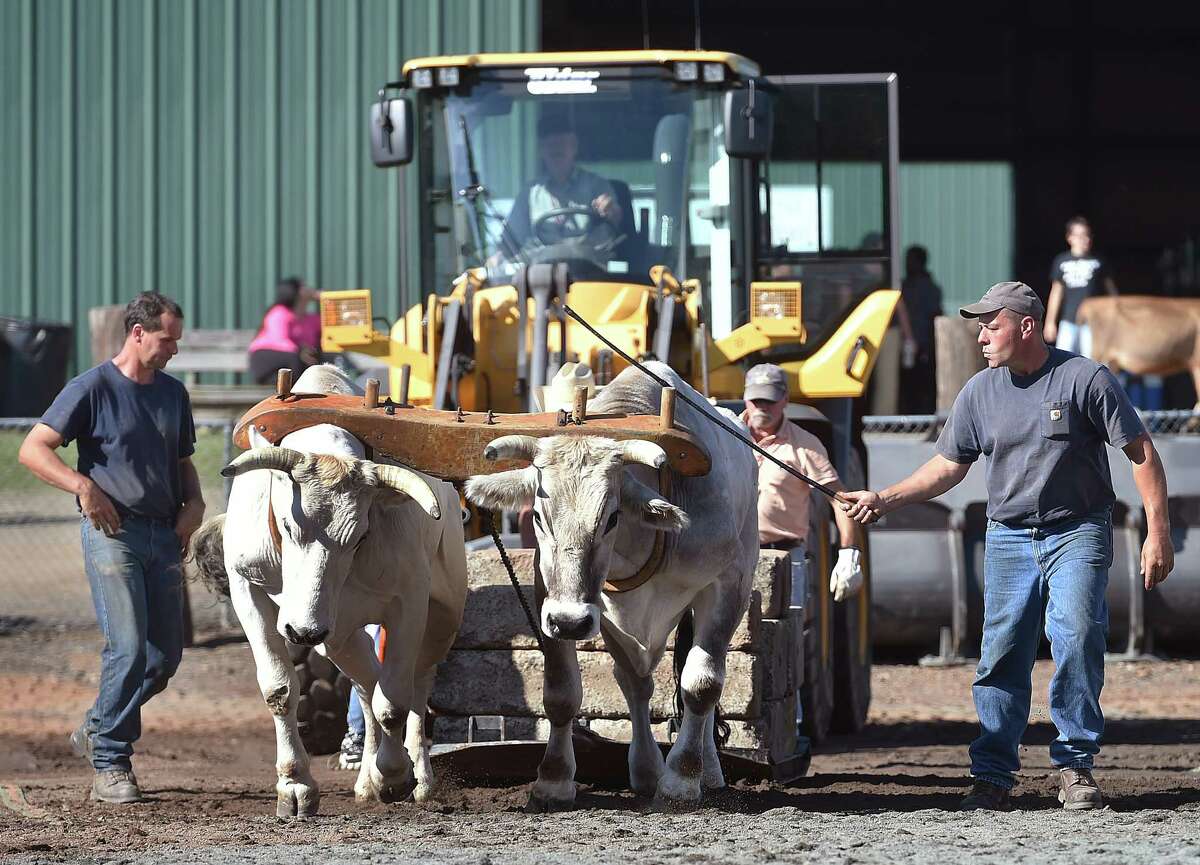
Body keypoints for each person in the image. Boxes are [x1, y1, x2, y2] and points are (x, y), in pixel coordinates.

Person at [840, 281, 1173, 812]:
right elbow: (949, 466)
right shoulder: (979, 392)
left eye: (990, 325)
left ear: (1026, 326)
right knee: (1002, 651)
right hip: (1009, 536)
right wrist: (884, 498)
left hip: (1078, 530)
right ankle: (992, 772)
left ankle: (1074, 766)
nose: (980, 336)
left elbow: (1142, 453)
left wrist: (1157, 532)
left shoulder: (1084, 378)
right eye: (977, 326)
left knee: (1078, 634)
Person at [18, 292, 204, 804]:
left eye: (177, 342)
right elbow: (32, 448)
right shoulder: (91, 388)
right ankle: (111, 764)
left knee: (164, 657)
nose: (173, 350)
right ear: (138, 332)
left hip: (163, 535)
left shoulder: (172, 394)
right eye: (167, 339)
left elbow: (183, 460)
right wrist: (83, 486)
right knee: (126, 647)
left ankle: (98, 724)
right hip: (112, 534)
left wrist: (196, 501)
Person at [741, 363, 864, 612]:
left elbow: (840, 500)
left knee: (790, 635)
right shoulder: (728, 433)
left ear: (785, 399)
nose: (762, 407)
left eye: (769, 400)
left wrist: (849, 552)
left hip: (786, 557)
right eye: (756, 400)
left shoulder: (805, 445)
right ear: (745, 397)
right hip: (734, 554)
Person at [496, 113, 623, 264]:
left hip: (590, 271)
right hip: (539, 275)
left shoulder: (597, 186)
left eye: (562, 145)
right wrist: (495, 259)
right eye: (551, 146)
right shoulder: (529, 194)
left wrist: (611, 210)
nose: (556, 150)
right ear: (541, 151)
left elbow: (615, 225)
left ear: (574, 147)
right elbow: (510, 241)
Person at [1043, 216, 1117, 358]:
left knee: (1091, 361)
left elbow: (1111, 293)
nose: (1085, 239)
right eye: (1080, 235)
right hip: (1068, 321)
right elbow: (1056, 293)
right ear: (1070, 238)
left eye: (1088, 235)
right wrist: (1050, 322)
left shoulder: (1099, 261)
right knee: (1062, 361)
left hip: (1093, 323)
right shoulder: (1062, 261)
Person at [896, 245, 944, 414]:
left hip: (923, 343)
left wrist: (930, 344)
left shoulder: (929, 288)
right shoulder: (902, 286)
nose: (906, 264)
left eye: (910, 260)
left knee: (921, 384)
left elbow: (934, 315)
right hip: (903, 344)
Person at [247, 276, 321, 385]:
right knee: (294, 359)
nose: (309, 289)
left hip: (293, 365)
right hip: (266, 359)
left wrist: (325, 300)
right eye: (304, 287)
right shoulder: (279, 313)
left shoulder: (311, 319)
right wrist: (301, 351)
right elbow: (280, 341)